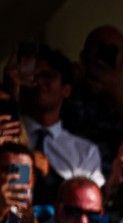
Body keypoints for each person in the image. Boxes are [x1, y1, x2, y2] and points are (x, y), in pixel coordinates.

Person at [18, 46, 104, 204]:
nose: (38, 82)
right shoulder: (7, 135)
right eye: (32, 77)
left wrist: (51, 176)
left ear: (66, 89)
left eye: (48, 76)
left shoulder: (84, 152)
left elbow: (89, 208)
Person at [64, 26, 123, 172]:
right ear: (84, 56)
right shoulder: (67, 92)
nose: (106, 54)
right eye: (100, 47)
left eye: (112, 50)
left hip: (117, 177)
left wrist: (115, 92)